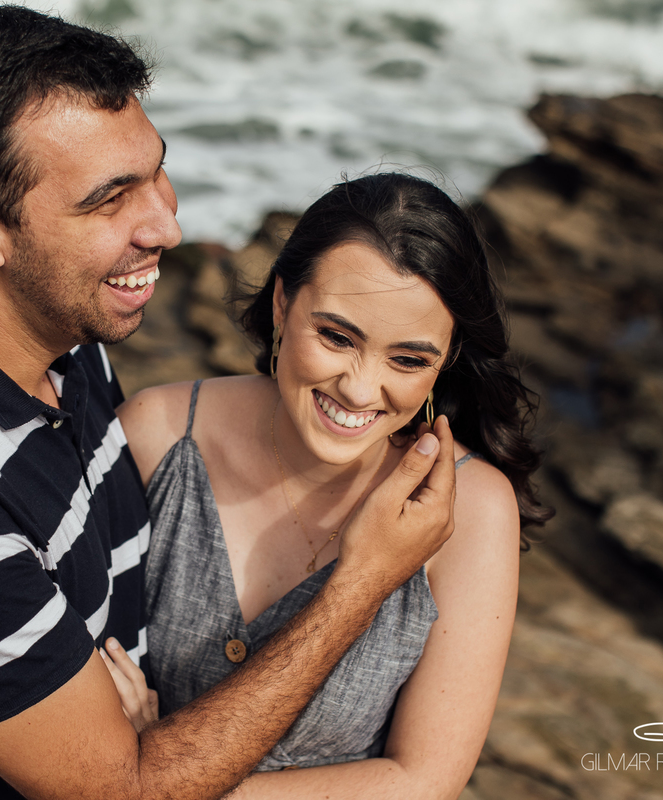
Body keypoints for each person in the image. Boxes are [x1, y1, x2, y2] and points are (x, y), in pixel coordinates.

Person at [0, 6, 456, 800]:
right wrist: (361, 582)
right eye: (110, 199)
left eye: (154, 171)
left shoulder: (66, 346)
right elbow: (124, 793)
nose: (166, 223)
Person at [104, 173, 552, 797]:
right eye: (337, 337)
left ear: (446, 358)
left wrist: (160, 777)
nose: (362, 390)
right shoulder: (155, 436)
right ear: (284, 304)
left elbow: (421, 781)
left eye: (409, 359)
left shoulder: (472, 510)